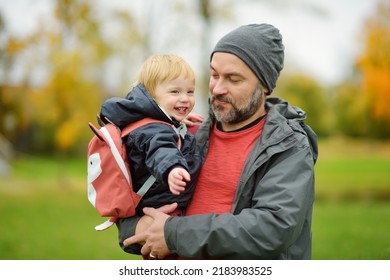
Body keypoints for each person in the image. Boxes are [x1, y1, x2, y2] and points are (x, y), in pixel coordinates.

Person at [121, 23, 318, 260]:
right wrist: (141, 228)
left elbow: (273, 228)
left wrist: (173, 234)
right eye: (214, 75)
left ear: (264, 86)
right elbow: (126, 212)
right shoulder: (185, 135)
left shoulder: (287, 146)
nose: (217, 88)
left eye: (233, 79)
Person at [99, 54, 202, 222]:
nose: (185, 98)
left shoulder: (151, 123)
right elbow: (160, 148)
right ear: (152, 96)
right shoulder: (154, 129)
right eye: (175, 92)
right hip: (161, 207)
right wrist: (172, 168)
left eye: (190, 92)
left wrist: (176, 120)